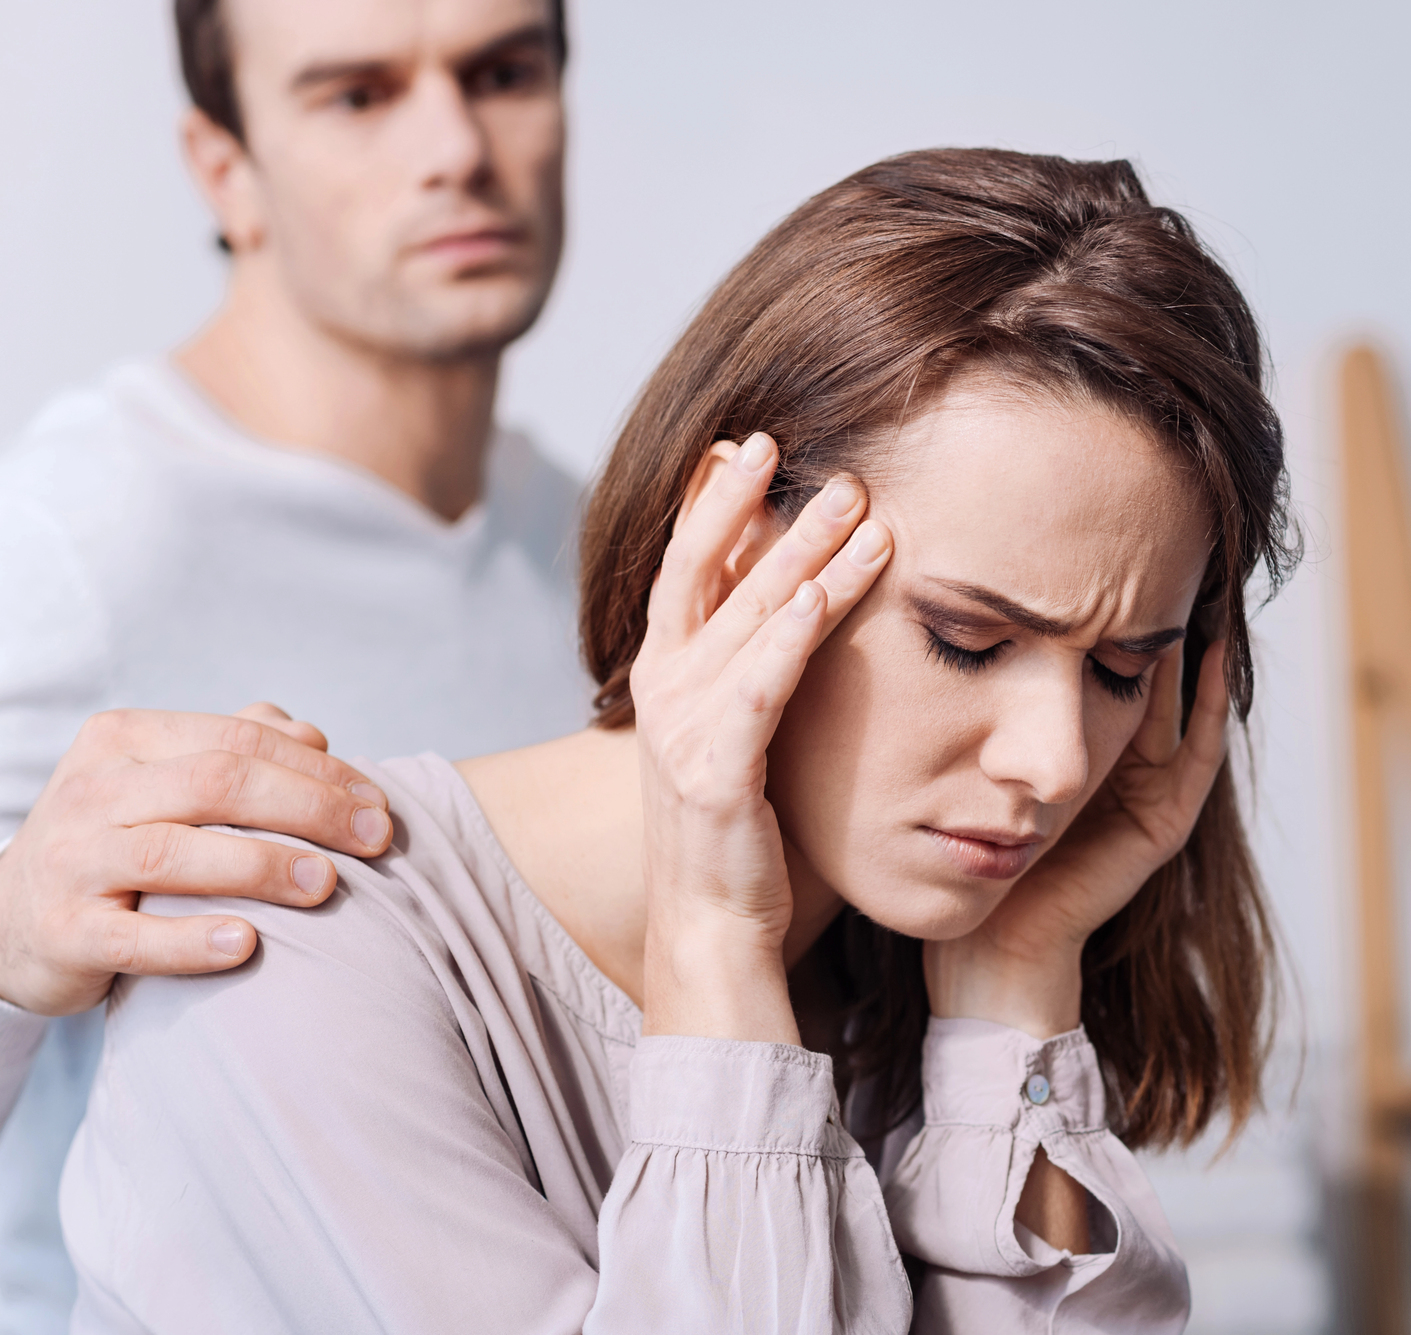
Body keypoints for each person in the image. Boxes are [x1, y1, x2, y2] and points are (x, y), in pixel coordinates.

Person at [61, 148, 1294, 1331]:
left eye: (1122, 669)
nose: (1058, 763)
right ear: (735, 553)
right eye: (967, 641)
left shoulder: (912, 977)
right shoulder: (290, 956)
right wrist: (711, 954)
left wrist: (1017, 994)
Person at [0, 0, 583, 1325]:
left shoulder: (597, 552)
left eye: (502, 71)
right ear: (226, 170)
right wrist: (11, 924)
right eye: (357, 95)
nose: (455, 147)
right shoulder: (72, 545)